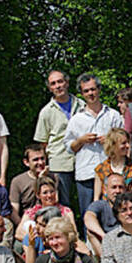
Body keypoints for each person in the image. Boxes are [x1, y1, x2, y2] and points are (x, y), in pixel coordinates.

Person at [64, 73, 124, 220]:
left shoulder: (113, 115)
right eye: (86, 91)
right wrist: (81, 140)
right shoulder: (76, 119)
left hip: (110, 173)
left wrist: (110, 141)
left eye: (93, 89)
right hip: (86, 173)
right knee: (88, 215)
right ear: (82, 94)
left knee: (113, 214)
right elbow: (69, 147)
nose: (90, 93)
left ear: (99, 89)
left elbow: (124, 142)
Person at [34, 70, 85, 208]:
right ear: (50, 88)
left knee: (86, 202)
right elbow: (43, 142)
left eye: (60, 82)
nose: (57, 86)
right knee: (62, 204)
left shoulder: (82, 105)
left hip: (83, 159)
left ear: (67, 83)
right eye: (53, 83)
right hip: (59, 163)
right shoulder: (46, 112)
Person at [15, 176, 76, 243]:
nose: (49, 195)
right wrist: (38, 242)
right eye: (45, 193)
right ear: (38, 195)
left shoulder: (66, 211)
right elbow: (18, 234)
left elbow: (74, 234)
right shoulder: (31, 212)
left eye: (52, 191)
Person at [94, 127, 132, 202]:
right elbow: (96, 198)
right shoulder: (100, 169)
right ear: (113, 145)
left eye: (128, 142)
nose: (128, 146)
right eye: (124, 143)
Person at [84, 173, 128, 258]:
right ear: (105, 190)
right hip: (104, 242)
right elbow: (88, 218)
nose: (117, 191)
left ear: (125, 190)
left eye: (120, 187)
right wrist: (105, 237)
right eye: (114, 187)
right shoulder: (100, 205)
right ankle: (106, 261)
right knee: (90, 232)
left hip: (126, 241)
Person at [9, 143, 55, 219]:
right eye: (36, 160)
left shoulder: (53, 178)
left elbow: (55, 202)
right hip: (27, 220)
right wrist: (22, 224)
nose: (40, 162)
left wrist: (42, 179)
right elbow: (14, 211)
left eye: (42, 158)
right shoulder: (17, 181)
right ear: (26, 162)